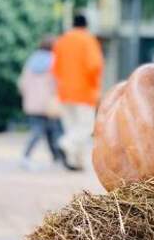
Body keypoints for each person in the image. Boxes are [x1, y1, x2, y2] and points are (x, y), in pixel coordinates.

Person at [52, 12, 104, 171]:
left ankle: (76, 162)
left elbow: (54, 68)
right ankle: (65, 144)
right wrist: (96, 86)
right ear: (86, 25)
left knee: (72, 127)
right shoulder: (88, 40)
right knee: (85, 128)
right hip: (84, 92)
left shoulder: (61, 41)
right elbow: (94, 65)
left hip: (64, 92)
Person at [18, 36, 65, 169]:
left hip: (32, 103)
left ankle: (55, 159)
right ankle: (54, 159)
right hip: (48, 104)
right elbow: (56, 83)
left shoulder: (31, 60)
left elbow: (22, 83)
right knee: (53, 131)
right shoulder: (54, 61)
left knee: (40, 131)